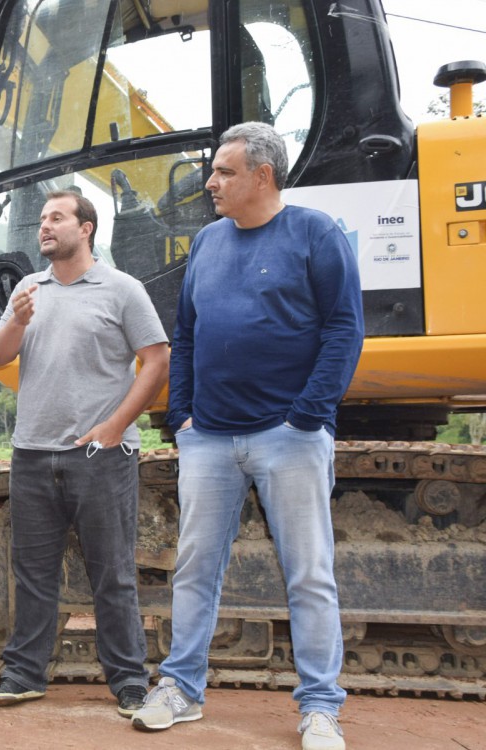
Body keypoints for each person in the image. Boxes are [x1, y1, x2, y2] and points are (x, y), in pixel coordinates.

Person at [130, 122, 362, 750]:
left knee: (309, 574)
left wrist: (307, 415)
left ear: (263, 175)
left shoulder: (316, 234)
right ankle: (180, 689)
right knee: (195, 568)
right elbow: (186, 332)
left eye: (225, 172)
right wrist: (183, 417)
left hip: (289, 436)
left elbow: (344, 329)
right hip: (209, 439)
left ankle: (319, 708)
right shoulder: (207, 241)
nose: (211, 182)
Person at [0, 190, 169, 716]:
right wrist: (16, 319)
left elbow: (156, 361)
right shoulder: (28, 287)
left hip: (100, 456)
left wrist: (115, 427)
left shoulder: (122, 289)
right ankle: (23, 675)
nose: (44, 226)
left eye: (56, 218)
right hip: (33, 454)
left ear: (85, 228)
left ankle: (129, 681)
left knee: (112, 573)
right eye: (42, 218)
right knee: (32, 572)